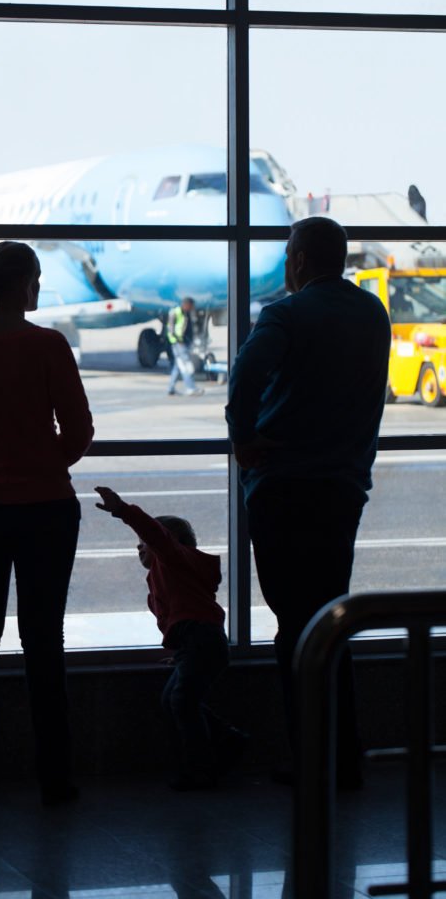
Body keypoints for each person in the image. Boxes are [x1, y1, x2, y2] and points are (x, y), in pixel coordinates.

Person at [225, 216, 391, 789]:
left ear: (297, 259)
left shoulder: (285, 314)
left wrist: (243, 435)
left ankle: (310, 756)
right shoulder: (373, 314)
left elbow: (246, 374)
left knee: (294, 625)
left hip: (283, 488)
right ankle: (345, 753)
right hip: (343, 488)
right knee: (330, 619)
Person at [0, 241, 93, 804]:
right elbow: (77, 431)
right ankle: (54, 775)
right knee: (43, 640)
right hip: (45, 509)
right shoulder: (48, 345)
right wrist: (43, 458)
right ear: (27, 284)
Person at [94, 485, 245, 789]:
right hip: (199, 643)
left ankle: (202, 769)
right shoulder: (177, 569)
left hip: (199, 640)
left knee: (182, 702)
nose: (140, 548)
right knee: (177, 700)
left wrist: (123, 510)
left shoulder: (174, 560)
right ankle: (227, 740)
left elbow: (156, 535)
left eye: (143, 544)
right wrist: (181, 653)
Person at [166, 297, 204, 396]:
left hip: (184, 343)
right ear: (186, 304)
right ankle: (190, 387)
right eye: (191, 306)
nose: (192, 308)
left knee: (178, 366)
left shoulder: (186, 313)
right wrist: (178, 340)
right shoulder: (175, 312)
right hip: (179, 344)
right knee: (186, 366)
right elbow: (170, 329)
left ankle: (171, 388)